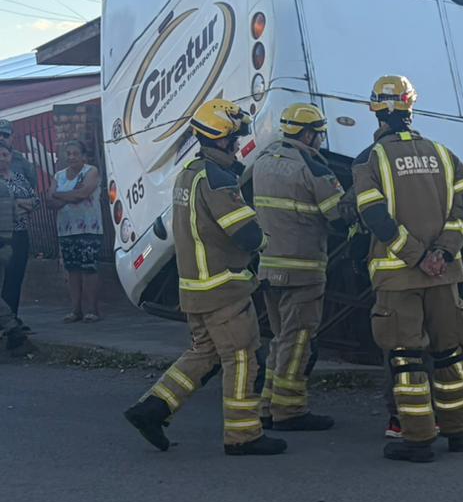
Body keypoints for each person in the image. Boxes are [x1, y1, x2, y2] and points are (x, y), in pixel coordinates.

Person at [123, 100, 286, 457]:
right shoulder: (219, 179)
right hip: (223, 289)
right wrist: (265, 238)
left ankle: (151, 410)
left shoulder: (190, 173)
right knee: (242, 358)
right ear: (223, 138)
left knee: (204, 354)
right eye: (236, 137)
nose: (238, 144)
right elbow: (245, 233)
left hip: (196, 289)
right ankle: (244, 436)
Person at [353, 74, 463, 463]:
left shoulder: (369, 160)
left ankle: (418, 439)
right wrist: (443, 252)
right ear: (410, 107)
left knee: (406, 358)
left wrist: (416, 255)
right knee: (449, 354)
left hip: (399, 276)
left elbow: (373, 214)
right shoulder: (444, 154)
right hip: (446, 275)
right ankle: (458, 431)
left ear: (377, 112)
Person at [254, 102, 351, 432]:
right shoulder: (314, 166)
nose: (320, 141)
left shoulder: (263, 160)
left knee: (281, 338)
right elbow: (338, 213)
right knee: (298, 341)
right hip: (303, 269)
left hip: (268, 267)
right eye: (319, 134)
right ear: (309, 134)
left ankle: (268, 404)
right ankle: (289, 409)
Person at [48, 139, 104, 322]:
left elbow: (83, 193)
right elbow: (50, 201)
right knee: (72, 269)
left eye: (75, 153)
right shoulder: (58, 175)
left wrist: (61, 195)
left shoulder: (91, 171)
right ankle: (75, 309)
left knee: (89, 268)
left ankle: (92, 309)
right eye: (68, 153)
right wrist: (71, 196)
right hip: (66, 229)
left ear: (83, 156)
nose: (71, 157)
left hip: (88, 227)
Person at [0, 119, 37, 324]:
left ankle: (12, 319)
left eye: (5, 134)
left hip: (19, 232)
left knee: (15, 277)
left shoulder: (21, 163)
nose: (1, 138)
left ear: (12, 137)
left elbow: (34, 196)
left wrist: (20, 203)